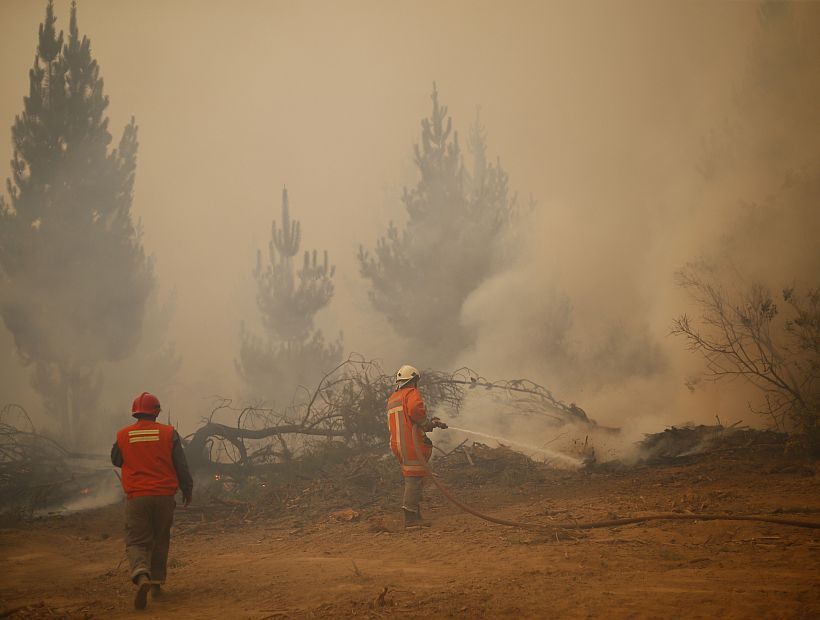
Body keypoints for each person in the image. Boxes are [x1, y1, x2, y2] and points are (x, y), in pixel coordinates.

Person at [111, 392, 193, 610]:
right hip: (164, 497)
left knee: (137, 541)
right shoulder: (168, 433)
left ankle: (141, 574)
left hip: (137, 497)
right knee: (160, 539)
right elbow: (181, 465)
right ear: (156, 411)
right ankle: (156, 585)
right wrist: (187, 488)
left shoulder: (123, 435)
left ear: (135, 412)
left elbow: (116, 459)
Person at [386, 365, 447, 528]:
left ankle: (415, 514)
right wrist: (426, 423)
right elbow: (415, 411)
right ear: (413, 380)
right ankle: (411, 519)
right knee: (414, 478)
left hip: (397, 444)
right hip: (410, 443)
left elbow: (408, 419)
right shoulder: (411, 393)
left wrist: (425, 425)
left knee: (414, 476)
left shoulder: (393, 398)